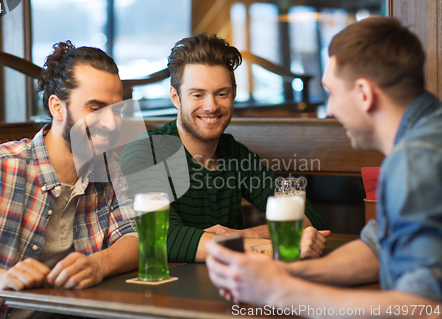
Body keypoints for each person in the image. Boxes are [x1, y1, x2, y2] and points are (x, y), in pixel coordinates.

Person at [205, 17, 442, 318]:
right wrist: (286, 275)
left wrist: (279, 291)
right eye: (197, 94)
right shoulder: (426, 135)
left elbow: (426, 308)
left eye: (331, 92)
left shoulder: (416, 159)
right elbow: (378, 247)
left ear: (364, 94)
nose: (329, 110)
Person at [0, 41, 138, 318]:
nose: (111, 124)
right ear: (57, 107)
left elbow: (133, 236)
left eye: (116, 111)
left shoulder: (110, 166)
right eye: (95, 108)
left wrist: (100, 264)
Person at [121, 33, 329, 263]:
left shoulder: (236, 154)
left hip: (232, 285)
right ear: (176, 98)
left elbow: (307, 215)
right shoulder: (145, 150)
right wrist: (278, 243)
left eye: (221, 94)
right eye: (198, 94)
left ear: (233, 95)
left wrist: (241, 236)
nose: (211, 106)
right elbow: (163, 237)